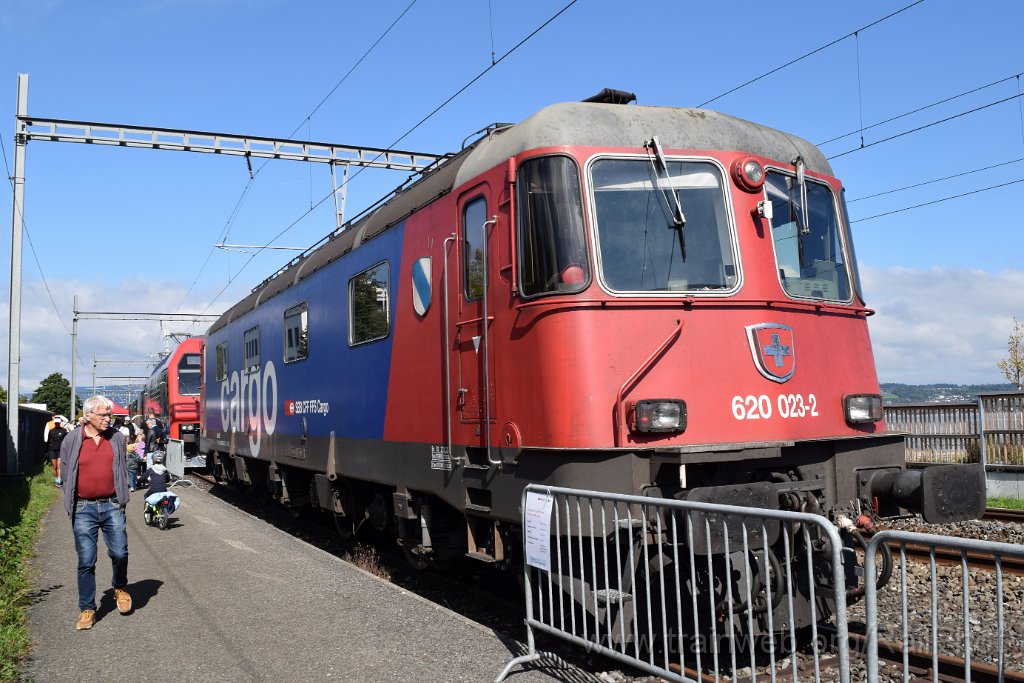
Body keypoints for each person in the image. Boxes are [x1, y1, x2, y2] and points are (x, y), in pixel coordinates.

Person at [58, 395, 132, 631]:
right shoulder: (72, 439)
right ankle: (87, 608)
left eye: (109, 415)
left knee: (120, 552)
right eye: (103, 415)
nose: (108, 419)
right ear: (88, 416)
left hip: (111, 504)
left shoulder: (117, 438)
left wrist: (122, 497)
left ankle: (119, 587)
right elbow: (67, 470)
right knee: (86, 560)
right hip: (83, 508)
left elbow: (121, 466)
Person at [46, 416, 69, 486]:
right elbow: (48, 441)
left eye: (58, 423)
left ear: (60, 423)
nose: (57, 424)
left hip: (60, 450)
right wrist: (46, 451)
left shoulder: (64, 431)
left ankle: (59, 480)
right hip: (52, 450)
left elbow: (67, 441)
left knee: (59, 466)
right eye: (56, 423)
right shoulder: (51, 431)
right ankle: (56, 479)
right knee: (55, 467)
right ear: (54, 423)